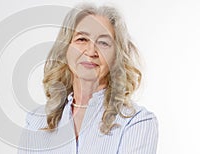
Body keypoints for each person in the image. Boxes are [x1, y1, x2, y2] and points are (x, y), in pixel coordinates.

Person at [18, 3, 158, 154]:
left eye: (103, 43)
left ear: (116, 56)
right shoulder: (36, 121)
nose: (91, 51)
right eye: (82, 39)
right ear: (66, 48)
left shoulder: (137, 122)